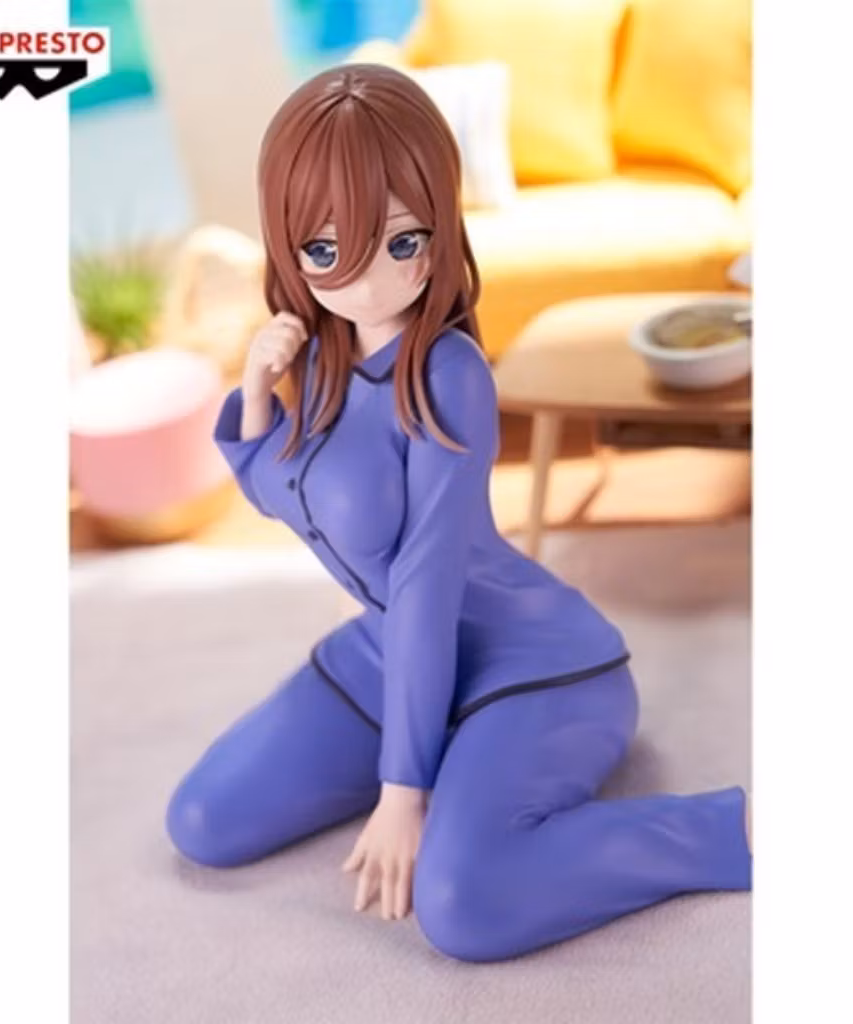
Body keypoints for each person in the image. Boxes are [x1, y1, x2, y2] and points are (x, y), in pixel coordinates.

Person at [165, 63, 752, 963]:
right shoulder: (317, 360)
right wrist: (257, 383)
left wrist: (405, 791)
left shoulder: (447, 376)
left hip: (532, 665)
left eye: (399, 240)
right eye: (325, 249)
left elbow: (427, 585)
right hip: (384, 650)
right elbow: (279, 490)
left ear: (439, 225)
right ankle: (448, 759)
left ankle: (728, 829)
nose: (365, 280)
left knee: (465, 903)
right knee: (204, 819)